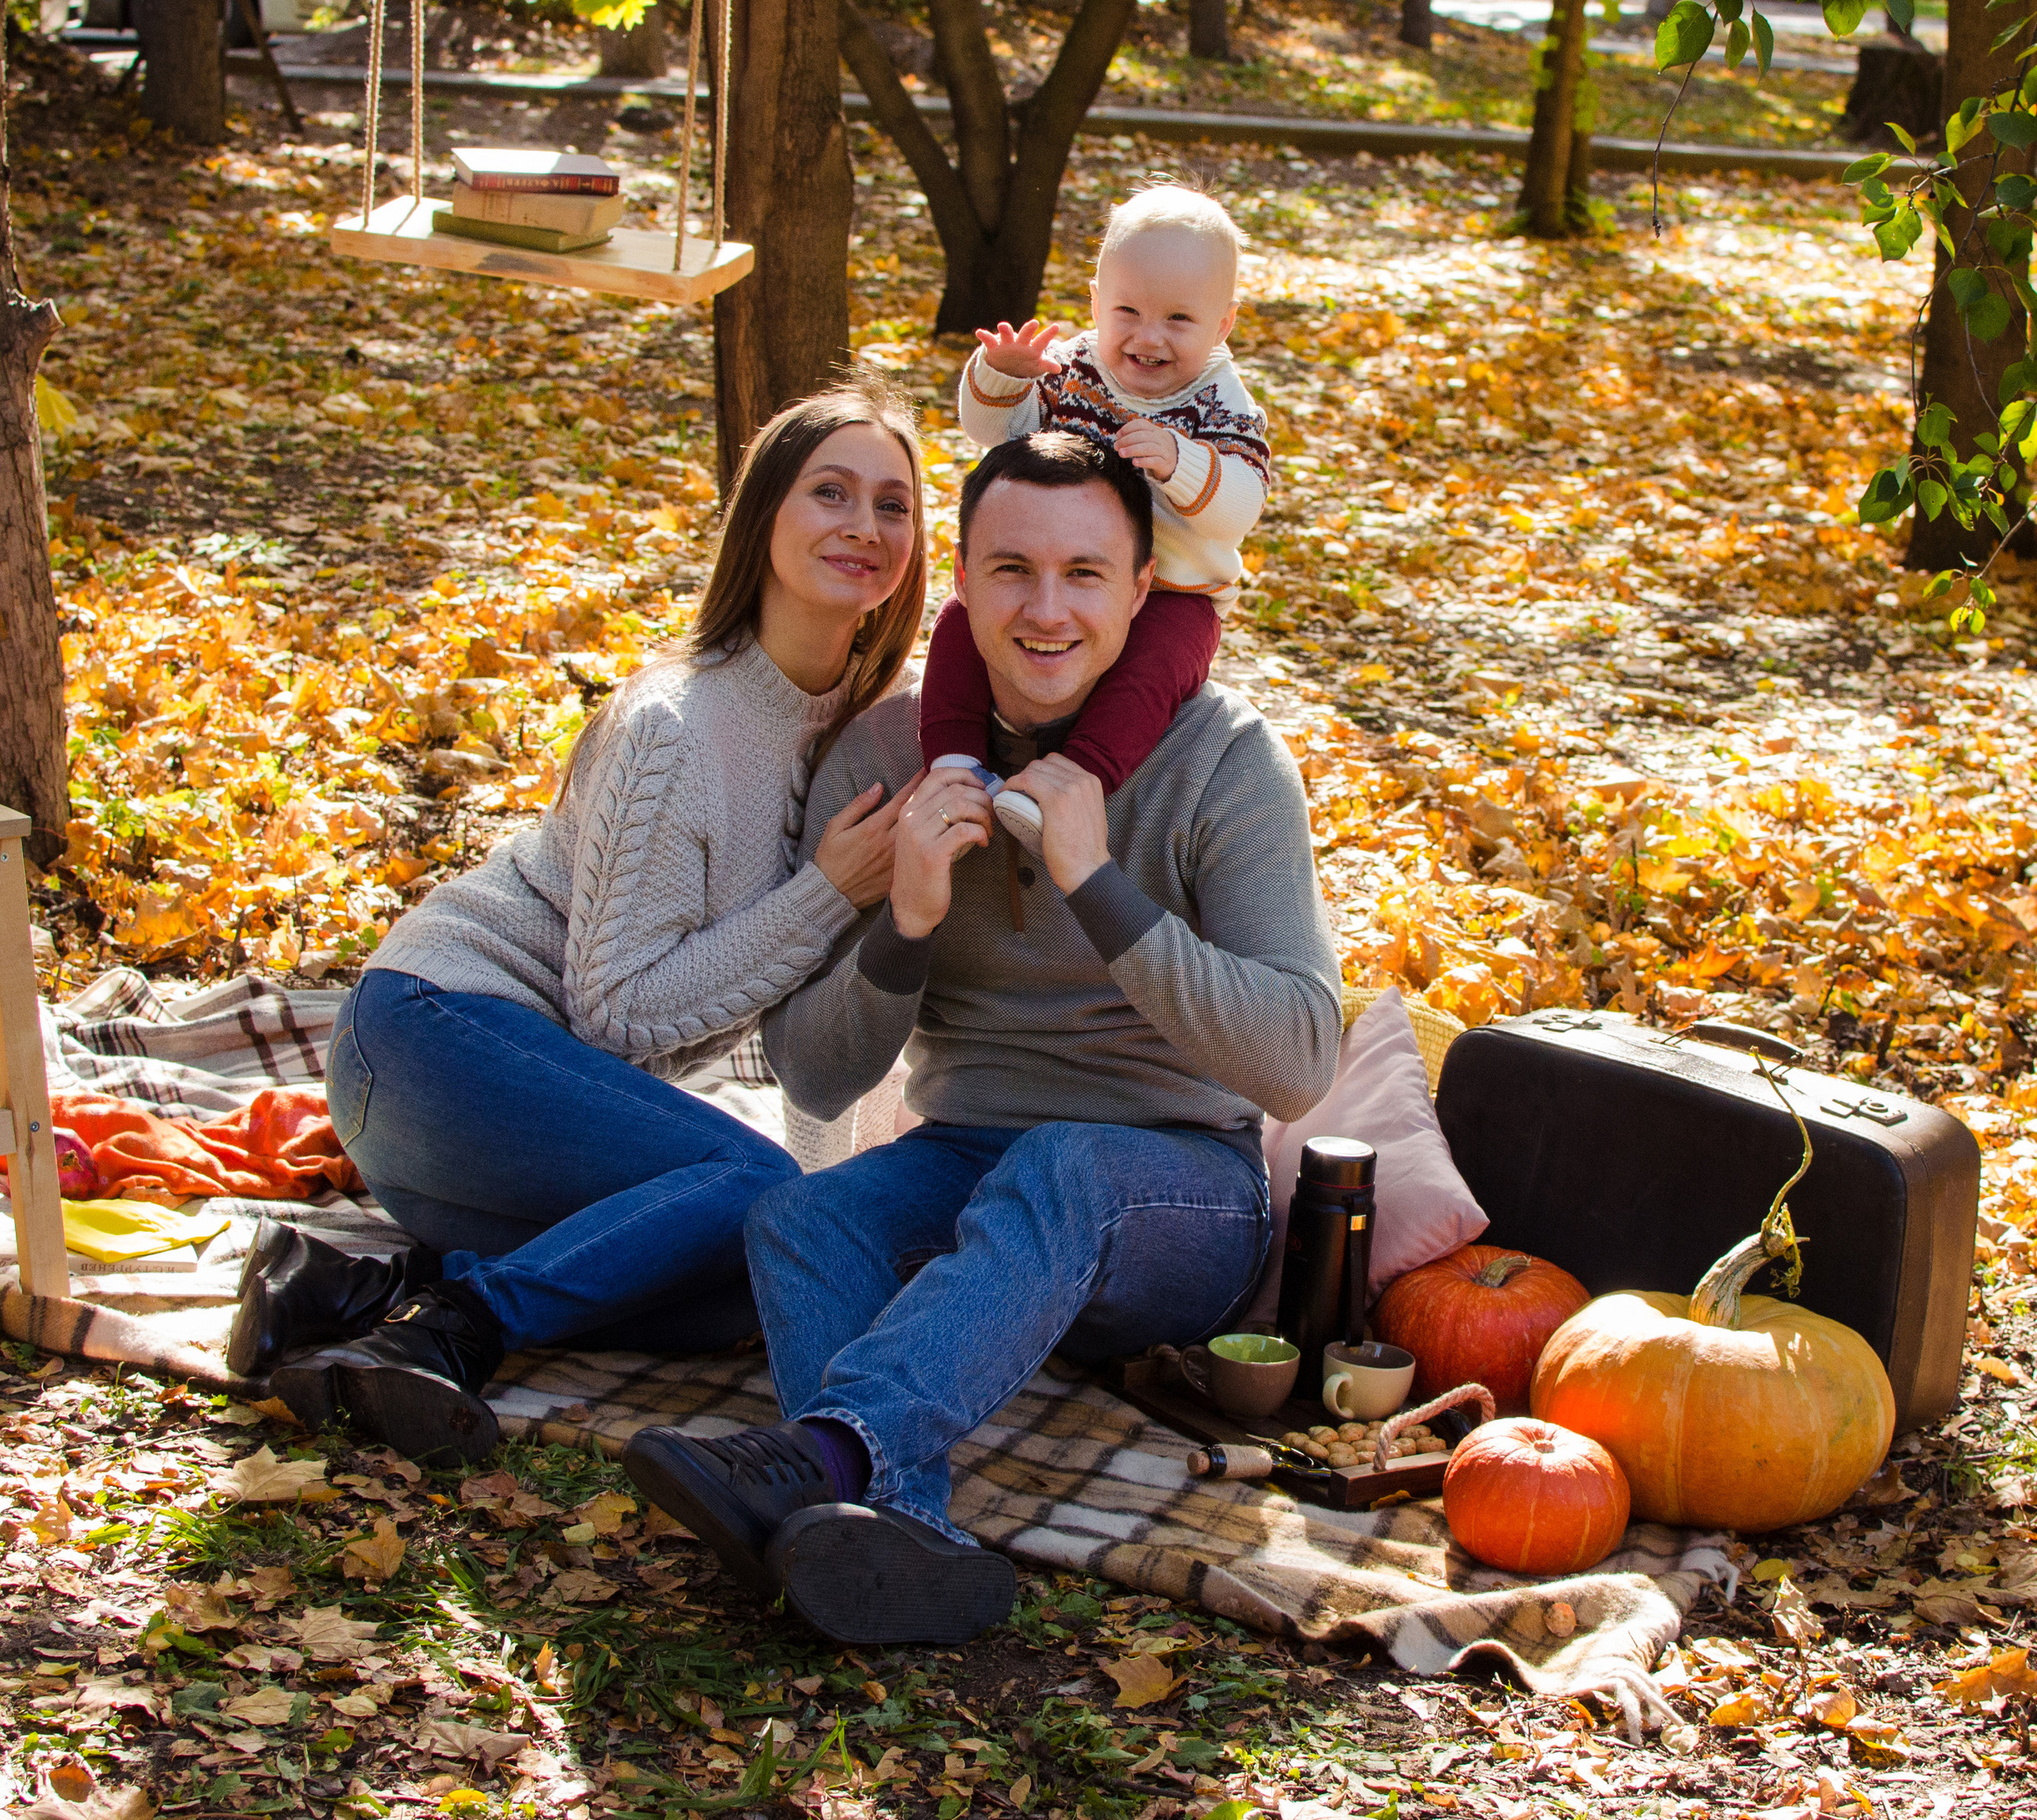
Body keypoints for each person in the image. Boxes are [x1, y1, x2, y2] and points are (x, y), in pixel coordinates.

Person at [622, 429, 1341, 1645]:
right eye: (1012, 570)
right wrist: (905, 922)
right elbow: (816, 1073)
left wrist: (1099, 885)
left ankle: (824, 1457)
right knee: (801, 1216)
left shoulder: (1226, 759)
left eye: (1084, 574)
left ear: (1143, 590)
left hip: (1177, 1190)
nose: (1046, 610)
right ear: (960, 579)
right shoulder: (885, 755)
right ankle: (896, 1532)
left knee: (1061, 1167)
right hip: (966, 1157)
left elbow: (1299, 1062)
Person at [228, 380, 929, 1463]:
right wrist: (827, 891)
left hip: (509, 1140)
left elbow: (800, 1019)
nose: (864, 526)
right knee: (753, 1188)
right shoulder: (675, 724)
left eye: (893, 505)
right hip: (433, 1036)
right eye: (829, 493)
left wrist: (821, 1213)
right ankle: (449, 1333)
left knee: (751, 1277)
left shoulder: (866, 731)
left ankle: (348, 1287)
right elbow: (615, 1014)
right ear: (764, 518)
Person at [922, 185, 1270, 857]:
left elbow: (1240, 508)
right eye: (1127, 311)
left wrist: (1182, 462)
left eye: (1179, 319)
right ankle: (955, 765)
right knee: (959, 624)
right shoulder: (1073, 367)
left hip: (1174, 592)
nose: (1148, 336)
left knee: (1147, 678)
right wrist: (1002, 377)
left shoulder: (1222, 404)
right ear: (1094, 303)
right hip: (1061, 565)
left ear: (1223, 325)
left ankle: (1072, 779)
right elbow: (996, 432)